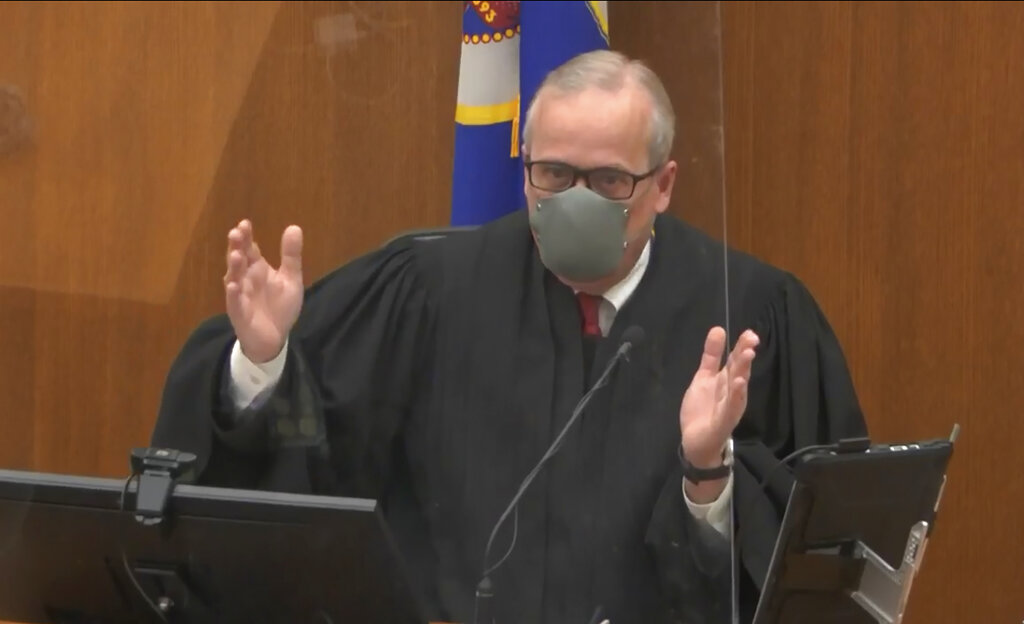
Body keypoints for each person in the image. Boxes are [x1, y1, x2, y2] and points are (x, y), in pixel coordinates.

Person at [152, 50, 867, 624]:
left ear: (665, 183)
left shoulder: (748, 313)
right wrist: (265, 360)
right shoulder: (431, 290)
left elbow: (819, 558)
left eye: (610, 180)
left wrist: (709, 477)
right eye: (553, 173)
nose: (575, 201)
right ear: (524, 168)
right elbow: (317, 469)